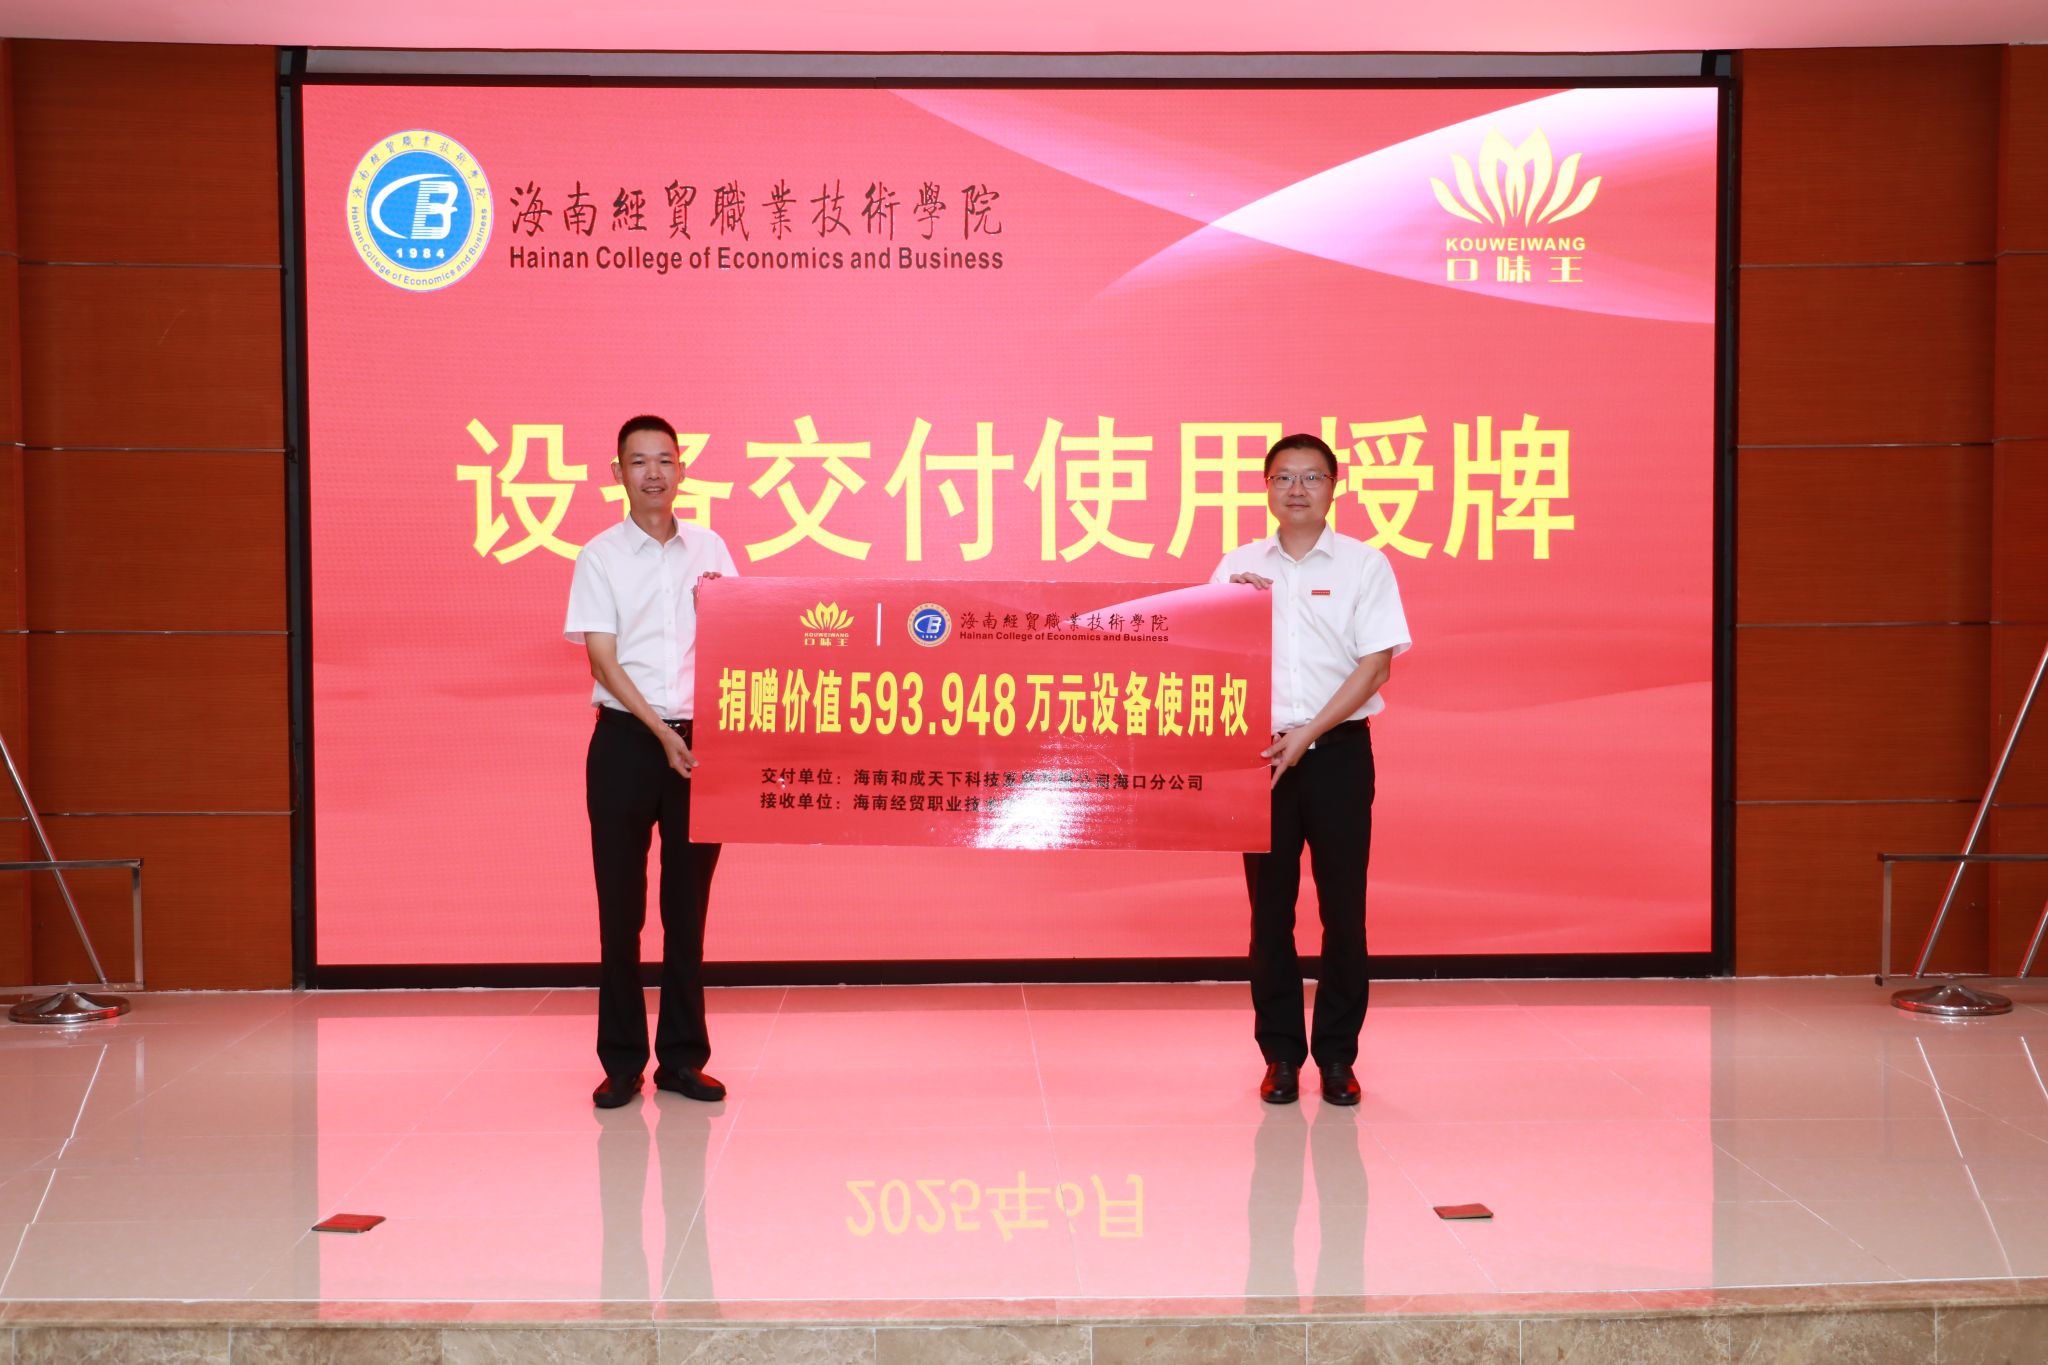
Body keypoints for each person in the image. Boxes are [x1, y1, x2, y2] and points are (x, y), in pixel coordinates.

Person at [1212, 433, 1411, 1106]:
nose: (1297, 489)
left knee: (1343, 912)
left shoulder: (1364, 565)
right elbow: (1205, 656)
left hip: (1339, 756)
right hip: (1258, 760)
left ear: (1334, 486)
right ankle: (1280, 1056)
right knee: (1269, 916)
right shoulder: (1237, 565)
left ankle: (1336, 1057)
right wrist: (1227, 608)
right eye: (1284, 477)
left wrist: (1310, 734)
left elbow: (1376, 666)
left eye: (1311, 477)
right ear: (1265, 487)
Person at [564, 413, 738, 1109]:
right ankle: (622, 1061)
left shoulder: (711, 547)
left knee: (686, 909)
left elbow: (743, 634)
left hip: (702, 745)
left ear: (682, 469)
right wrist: (661, 734)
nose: (653, 473)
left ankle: (683, 1059)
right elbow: (603, 660)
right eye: (639, 462)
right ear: (618, 473)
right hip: (626, 744)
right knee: (621, 909)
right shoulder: (599, 556)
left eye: (664, 460)